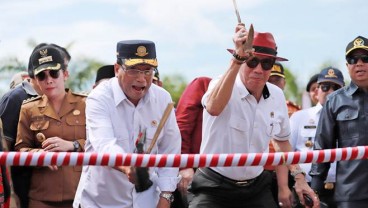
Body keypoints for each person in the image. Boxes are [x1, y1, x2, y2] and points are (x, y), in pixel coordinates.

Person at [188, 24, 319, 208]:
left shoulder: (277, 95)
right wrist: (237, 59)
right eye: (252, 61)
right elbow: (213, 108)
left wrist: (299, 178)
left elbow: (282, 142)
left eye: (266, 64)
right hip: (214, 187)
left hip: (256, 187)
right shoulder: (220, 84)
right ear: (242, 59)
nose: (258, 69)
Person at [77, 40, 181, 208]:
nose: (142, 79)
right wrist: (127, 167)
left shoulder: (163, 99)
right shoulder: (99, 98)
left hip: (148, 202)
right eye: (133, 70)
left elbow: (170, 150)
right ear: (117, 69)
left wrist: (166, 195)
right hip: (101, 202)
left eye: (148, 71)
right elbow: (104, 145)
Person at [14, 44, 86, 208]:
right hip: (42, 198)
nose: (49, 80)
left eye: (54, 73)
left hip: (80, 197)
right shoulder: (28, 109)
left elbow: (100, 144)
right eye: (41, 76)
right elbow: (20, 149)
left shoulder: (86, 104)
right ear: (36, 81)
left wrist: (73, 145)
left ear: (65, 74)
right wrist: (39, 155)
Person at [0, 43, 69, 208]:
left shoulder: (59, 100)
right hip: (21, 192)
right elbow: (4, 151)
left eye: (59, 69)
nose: (58, 75)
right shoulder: (15, 99)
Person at [310, 36, 368, 207]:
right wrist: (315, 191)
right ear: (347, 66)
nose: (359, 63)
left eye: (365, 58)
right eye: (352, 59)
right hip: (350, 194)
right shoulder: (335, 101)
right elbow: (322, 147)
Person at [291, 67, 344, 208]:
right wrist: (290, 183)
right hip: (307, 187)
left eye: (336, 87)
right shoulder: (299, 117)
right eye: (325, 87)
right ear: (317, 90)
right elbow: (286, 154)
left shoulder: (351, 118)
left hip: (344, 189)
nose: (331, 92)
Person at [266, 62, 301, 207]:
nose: (273, 84)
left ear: (284, 82)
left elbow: (284, 144)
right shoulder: (251, 105)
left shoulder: (295, 111)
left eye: (277, 80)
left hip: (287, 171)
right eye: (270, 80)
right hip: (260, 171)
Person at [174, 76, 212, 208]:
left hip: (233, 178)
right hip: (196, 173)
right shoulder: (205, 84)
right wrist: (184, 165)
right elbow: (182, 125)